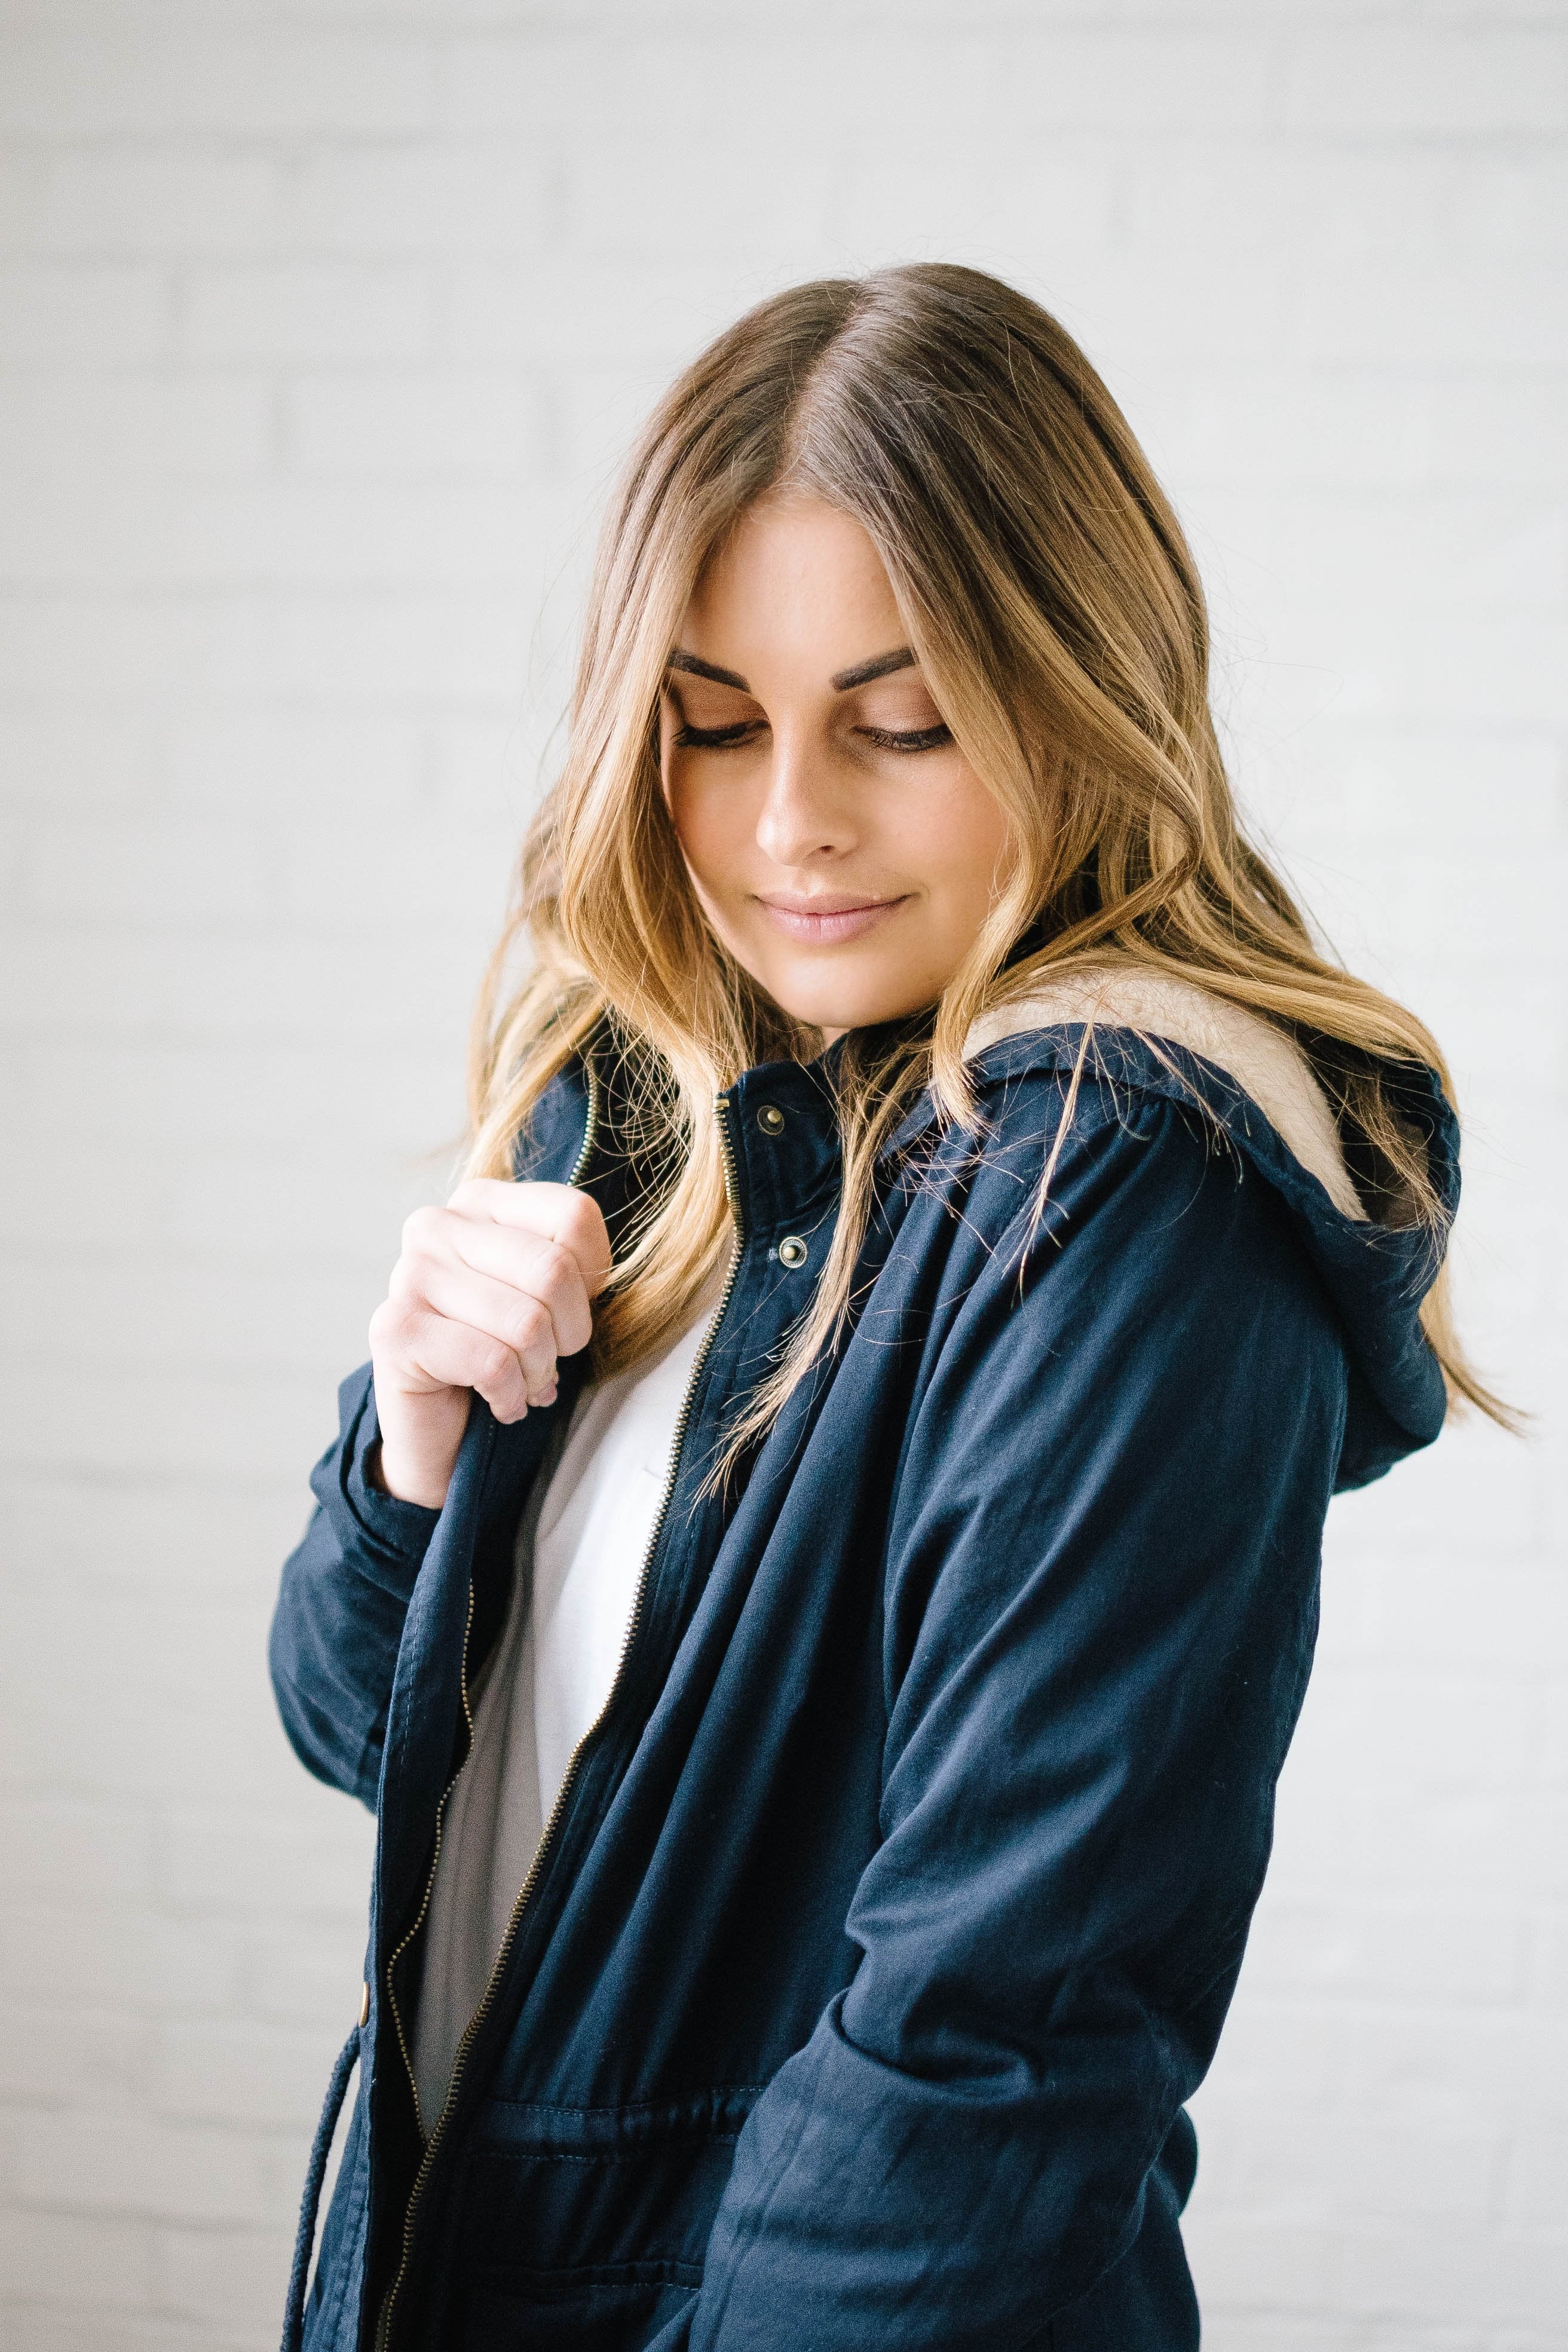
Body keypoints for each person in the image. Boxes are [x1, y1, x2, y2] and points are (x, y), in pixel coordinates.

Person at [270, 264, 1504, 2352]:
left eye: (903, 719)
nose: (789, 824)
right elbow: (351, 1729)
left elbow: (999, 2038)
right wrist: (408, 1448)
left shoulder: (1116, 1179)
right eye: (715, 721)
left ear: (1074, 689)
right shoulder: (637, 1090)